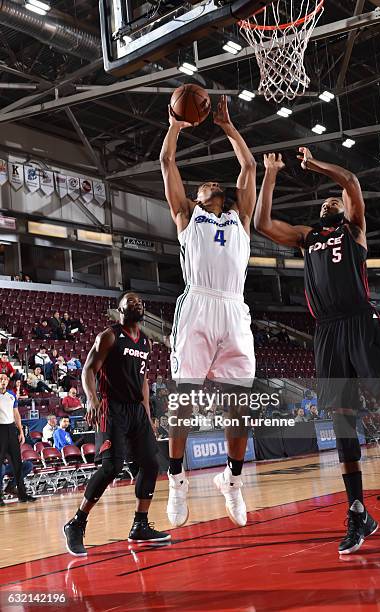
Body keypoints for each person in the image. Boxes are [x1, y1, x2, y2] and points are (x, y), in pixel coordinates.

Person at [254, 149, 380, 556]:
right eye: (324, 201)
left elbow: (352, 184)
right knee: (342, 424)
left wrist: (319, 166)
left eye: (333, 201)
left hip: (361, 323)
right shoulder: (307, 239)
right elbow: (262, 223)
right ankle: (357, 512)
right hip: (327, 334)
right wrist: (270, 174)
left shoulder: (354, 230)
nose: (329, 201)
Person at [160, 95, 256, 528]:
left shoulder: (241, 220)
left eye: (218, 185)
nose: (212, 185)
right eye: (206, 186)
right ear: (198, 198)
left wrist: (229, 127)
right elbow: (166, 165)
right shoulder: (187, 216)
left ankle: (232, 482)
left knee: (240, 408)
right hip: (198, 304)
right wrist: (177, 126)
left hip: (234, 309)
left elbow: (249, 169)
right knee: (184, 402)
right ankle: (176, 480)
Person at [63, 291, 170, 557]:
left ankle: (140, 524)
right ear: (120, 310)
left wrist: (147, 413)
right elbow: (88, 369)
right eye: (131, 302)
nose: (137, 304)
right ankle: (76, 523)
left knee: (151, 463)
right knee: (112, 467)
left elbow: (143, 380)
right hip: (113, 408)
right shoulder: (109, 336)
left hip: (136, 410)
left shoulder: (146, 341)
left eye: (140, 302)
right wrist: (91, 398)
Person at [0, 373, 35, 504]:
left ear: (8, 381)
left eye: (4, 379)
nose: (2, 381)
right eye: (0, 379)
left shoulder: (11, 395)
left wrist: (20, 431)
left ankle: (22, 494)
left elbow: (16, 414)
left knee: (18, 464)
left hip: (11, 430)